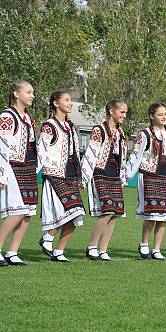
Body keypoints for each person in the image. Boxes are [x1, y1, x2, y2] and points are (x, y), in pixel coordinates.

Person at [37, 90, 85, 262]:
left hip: (71, 174)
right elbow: (41, 150)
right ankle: (48, 238)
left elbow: (75, 153)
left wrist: (80, 176)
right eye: (66, 100)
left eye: (70, 100)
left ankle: (58, 250)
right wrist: (35, 171)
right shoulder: (49, 125)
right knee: (68, 211)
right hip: (55, 174)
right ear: (56, 103)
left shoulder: (71, 126)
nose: (70, 103)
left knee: (76, 213)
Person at [126, 103, 166, 260]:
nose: (164, 117)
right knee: (151, 214)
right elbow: (136, 155)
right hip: (149, 174)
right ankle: (144, 244)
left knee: (164, 215)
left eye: (165, 114)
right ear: (151, 116)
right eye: (160, 114)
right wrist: (127, 175)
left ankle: (157, 249)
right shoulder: (145, 134)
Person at [81, 100, 128, 261]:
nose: (124, 115)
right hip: (100, 173)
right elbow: (90, 153)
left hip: (114, 175)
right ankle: (92, 246)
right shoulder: (99, 130)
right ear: (111, 111)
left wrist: (122, 176)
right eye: (121, 112)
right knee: (106, 211)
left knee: (114, 214)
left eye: (125, 112)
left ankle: (103, 249)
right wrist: (85, 176)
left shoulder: (121, 133)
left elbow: (122, 156)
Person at [0, 80, 38, 266]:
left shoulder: (28, 118)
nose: (32, 96)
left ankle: (13, 251)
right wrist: (1, 172)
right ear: (16, 94)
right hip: (12, 167)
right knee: (16, 211)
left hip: (28, 168)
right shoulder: (8, 116)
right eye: (28, 92)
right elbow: (2, 146)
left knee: (28, 212)